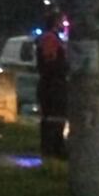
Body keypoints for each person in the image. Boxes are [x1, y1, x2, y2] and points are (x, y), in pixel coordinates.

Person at [35, 11, 68, 158]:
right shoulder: (50, 38)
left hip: (51, 83)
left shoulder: (52, 38)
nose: (63, 25)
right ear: (55, 23)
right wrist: (66, 68)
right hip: (52, 85)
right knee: (53, 117)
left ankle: (54, 147)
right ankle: (53, 149)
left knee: (54, 117)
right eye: (61, 22)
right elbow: (50, 63)